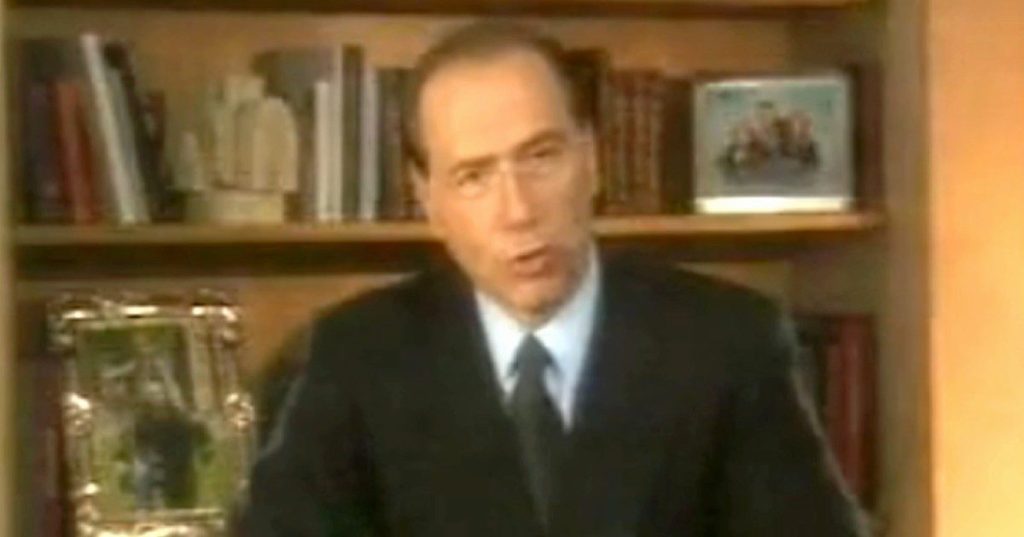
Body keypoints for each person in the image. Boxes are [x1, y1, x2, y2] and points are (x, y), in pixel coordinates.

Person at [240, 21, 868, 537]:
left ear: (591, 159)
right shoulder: (355, 357)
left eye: (540, 157)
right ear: (428, 200)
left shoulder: (730, 343)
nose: (518, 210)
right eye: (474, 177)